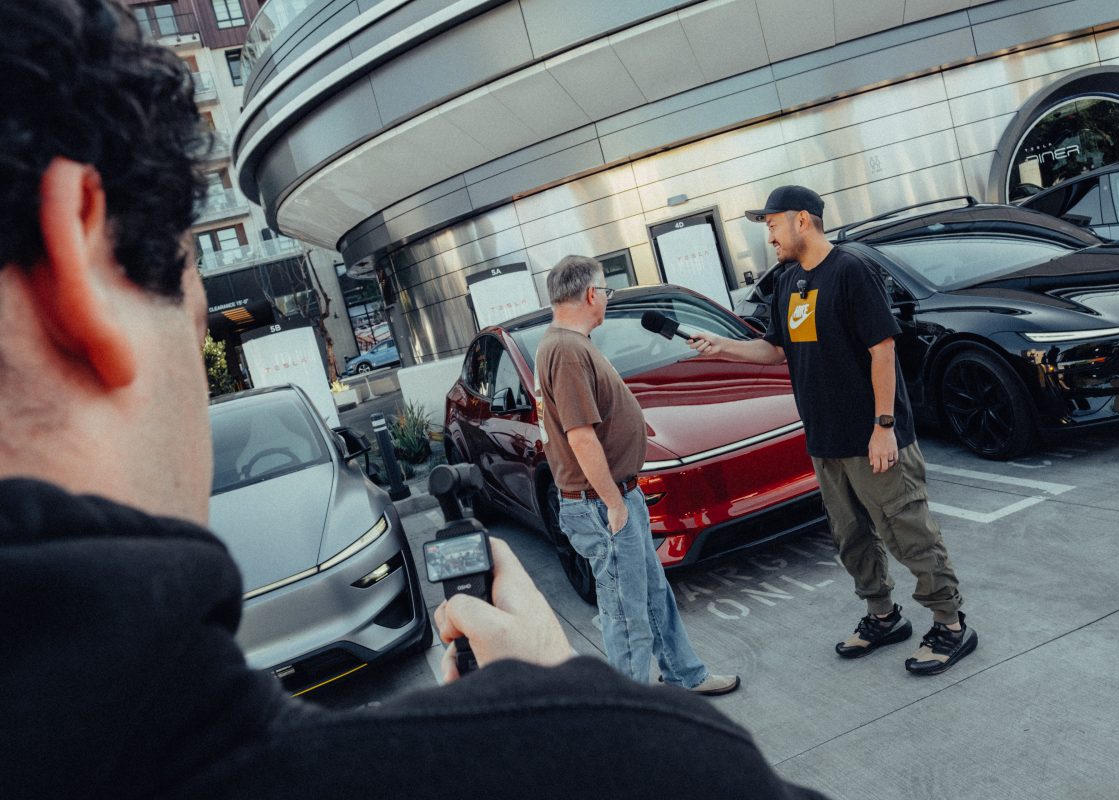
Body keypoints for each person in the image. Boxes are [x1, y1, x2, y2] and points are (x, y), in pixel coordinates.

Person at [0, 4, 828, 798]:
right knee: (629, 610)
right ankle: (661, 679)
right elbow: (573, 432)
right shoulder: (611, 762)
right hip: (606, 516)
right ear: (83, 269)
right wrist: (583, 724)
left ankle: (678, 672)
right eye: (193, 299)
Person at [687, 185, 979, 675]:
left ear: (803, 220)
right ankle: (882, 617)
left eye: (773, 223)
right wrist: (722, 348)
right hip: (826, 441)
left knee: (907, 533)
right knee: (852, 538)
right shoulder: (786, 281)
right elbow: (775, 349)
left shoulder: (849, 271)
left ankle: (951, 624)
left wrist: (884, 426)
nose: (769, 235)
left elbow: (882, 349)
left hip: (873, 439)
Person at [533, 255, 740, 696]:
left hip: (613, 499)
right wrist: (612, 502)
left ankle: (685, 674)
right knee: (627, 615)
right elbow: (581, 436)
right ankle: (631, 715)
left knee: (652, 595)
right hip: (600, 504)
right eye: (605, 290)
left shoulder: (567, 343)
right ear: (590, 294)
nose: (606, 298)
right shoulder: (567, 351)